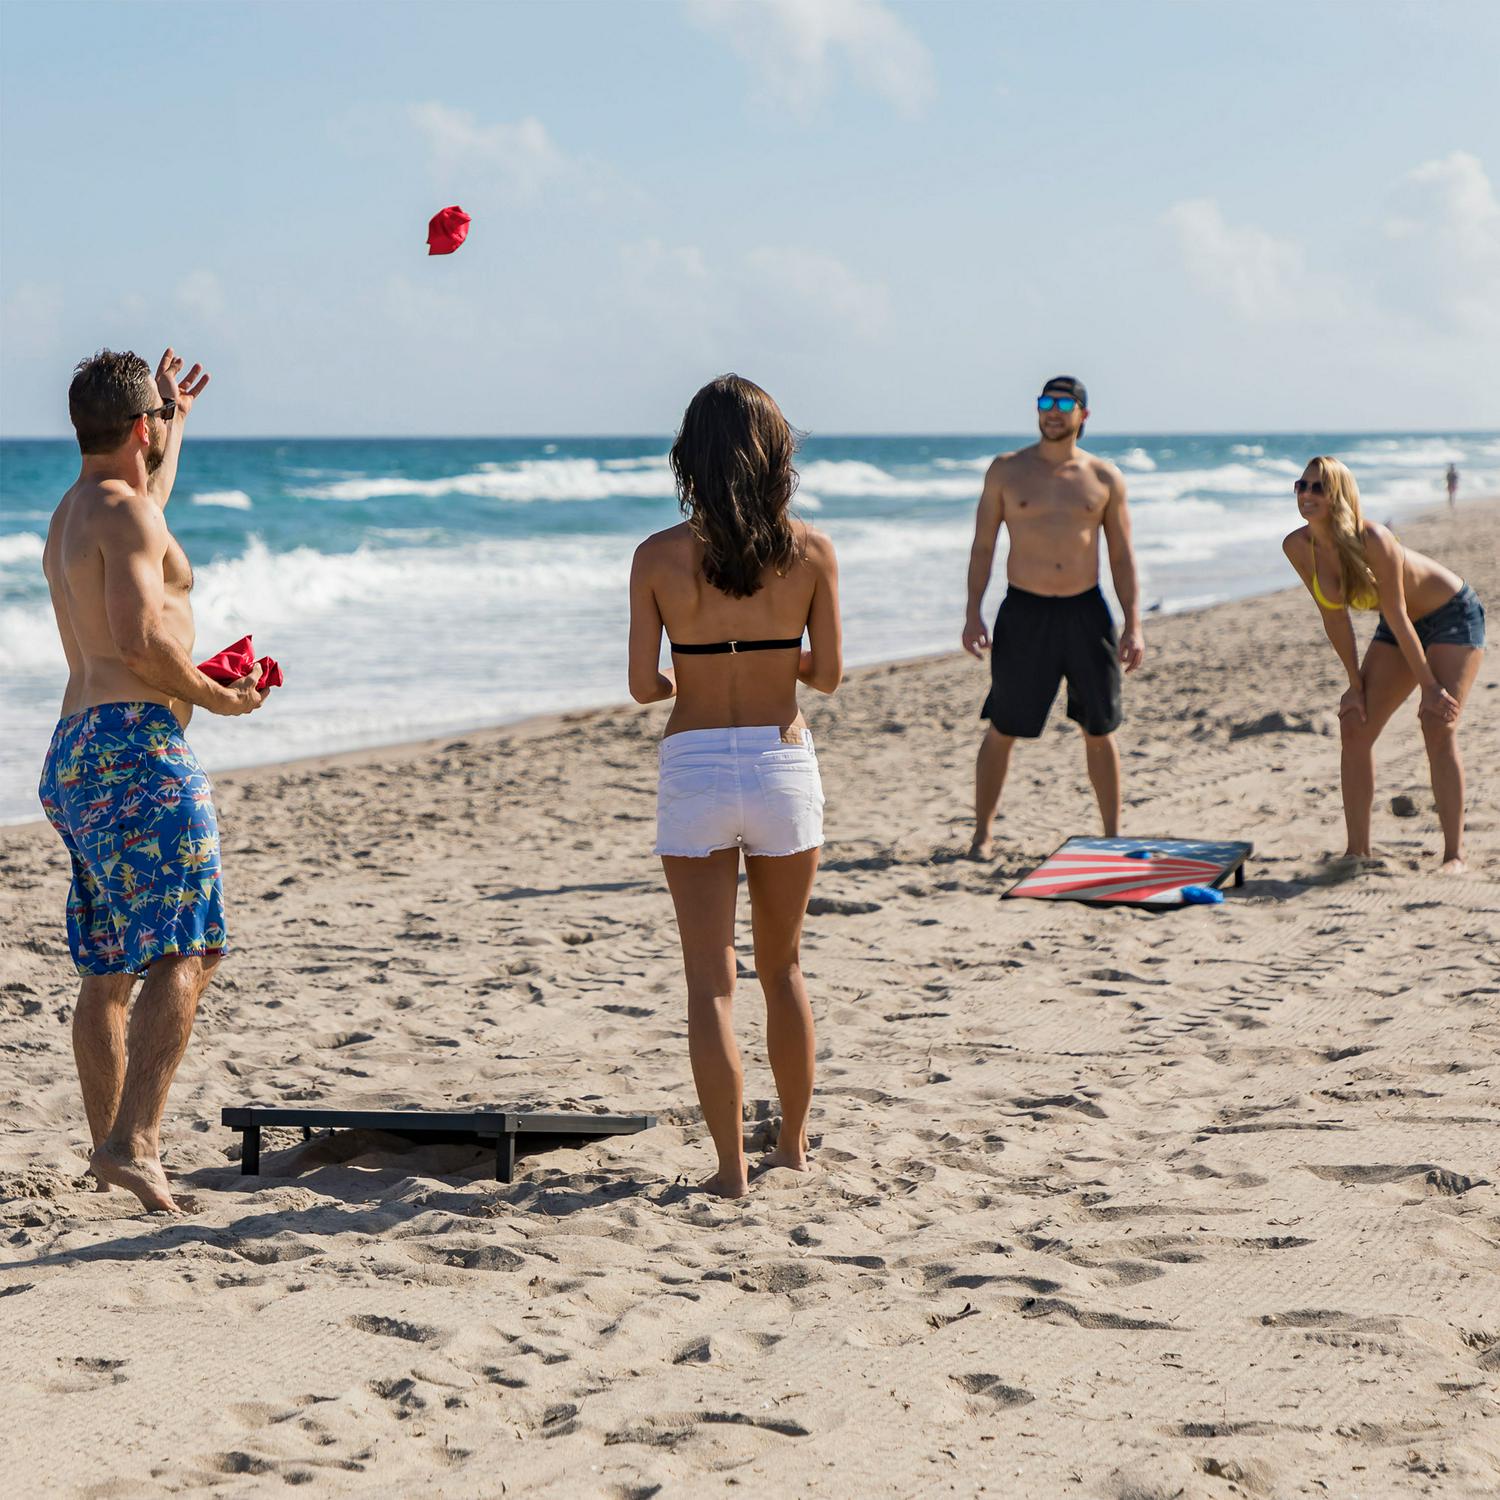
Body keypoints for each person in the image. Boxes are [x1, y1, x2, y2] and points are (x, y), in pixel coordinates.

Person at [38, 349, 266, 1212]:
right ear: (141, 427)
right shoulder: (123, 514)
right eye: (158, 422)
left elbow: (149, 515)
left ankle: (120, 1154)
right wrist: (217, 694)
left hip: (75, 750)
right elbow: (139, 639)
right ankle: (134, 1143)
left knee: (109, 968)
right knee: (189, 947)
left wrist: (178, 420)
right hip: (137, 748)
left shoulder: (78, 509)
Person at [628, 375, 842, 1198]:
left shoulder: (656, 556)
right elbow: (827, 674)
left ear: (692, 457)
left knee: (709, 979)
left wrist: (702, 659)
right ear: (775, 454)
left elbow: (647, 687)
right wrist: (765, 651)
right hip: (781, 759)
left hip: (696, 763)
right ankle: (791, 1148)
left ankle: (730, 1171)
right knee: (782, 969)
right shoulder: (812, 552)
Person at [961, 376, 1145, 858]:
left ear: (1084, 414)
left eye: (1065, 403)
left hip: (1087, 611)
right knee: (1003, 725)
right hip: (1024, 611)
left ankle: (1110, 835)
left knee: (1100, 729)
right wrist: (972, 613)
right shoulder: (1006, 471)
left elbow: (1122, 556)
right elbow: (983, 546)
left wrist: (1134, 624)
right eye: (1046, 402)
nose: (1053, 411)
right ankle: (982, 834)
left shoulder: (1104, 478)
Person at [1282, 455, 1484, 873]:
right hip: (1401, 626)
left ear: (1338, 493)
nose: (1306, 495)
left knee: (1436, 722)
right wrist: (1354, 685)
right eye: (1300, 486)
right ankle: (1358, 852)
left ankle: (1454, 855)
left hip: (1450, 614)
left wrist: (1429, 686)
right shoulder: (1298, 546)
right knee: (1354, 722)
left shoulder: (1373, 538)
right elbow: (1333, 619)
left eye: (1317, 487)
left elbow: (1394, 611)